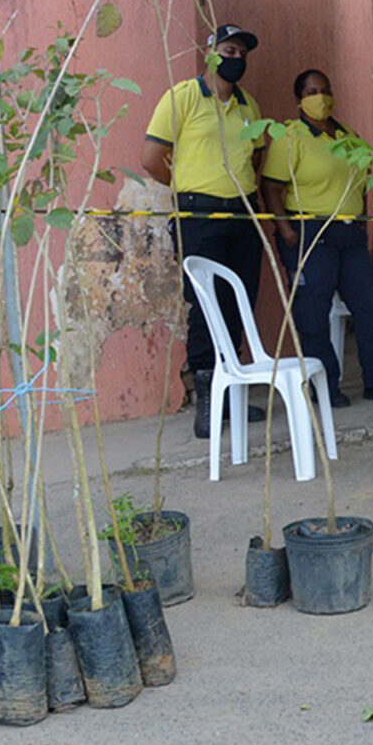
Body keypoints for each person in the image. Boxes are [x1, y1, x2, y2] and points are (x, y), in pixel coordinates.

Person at [142, 23, 269, 436]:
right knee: (204, 304)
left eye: (242, 54)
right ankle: (207, 401)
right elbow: (151, 158)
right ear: (210, 53)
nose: (237, 60)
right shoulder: (182, 97)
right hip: (198, 215)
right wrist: (188, 188)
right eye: (229, 52)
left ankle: (232, 395)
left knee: (239, 302)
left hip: (243, 214)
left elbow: (257, 156)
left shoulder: (249, 105)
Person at [260, 69, 373, 408]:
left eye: (325, 90)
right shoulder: (290, 135)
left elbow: (365, 180)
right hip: (309, 233)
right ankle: (324, 385)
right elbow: (270, 187)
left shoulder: (348, 136)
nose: (320, 97)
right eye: (311, 91)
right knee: (313, 312)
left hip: (349, 234)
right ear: (299, 99)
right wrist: (286, 231)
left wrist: (360, 221)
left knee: (371, 306)